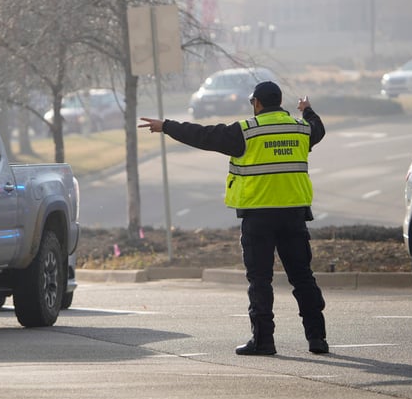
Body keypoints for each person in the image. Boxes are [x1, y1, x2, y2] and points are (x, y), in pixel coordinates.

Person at [138, 81, 329, 356]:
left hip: (258, 217)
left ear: (258, 103)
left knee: (260, 281)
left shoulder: (246, 132)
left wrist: (166, 126)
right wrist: (307, 110)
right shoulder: (301, 129)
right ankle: (317, 339)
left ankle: (263, 341)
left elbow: (203, 135)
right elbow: (319, 129)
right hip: (294, 215)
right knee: (302, 278)